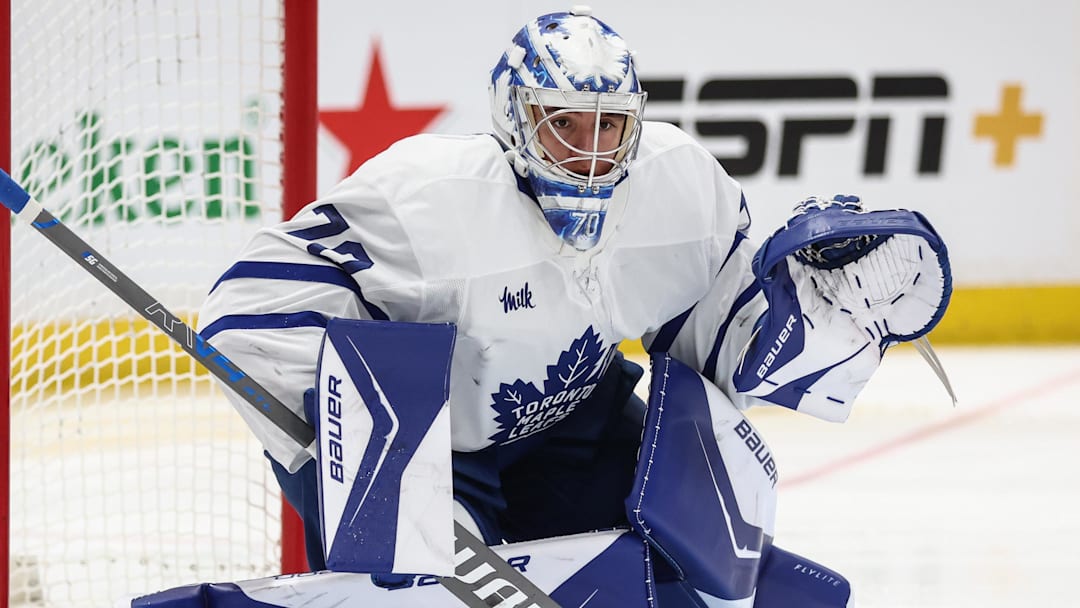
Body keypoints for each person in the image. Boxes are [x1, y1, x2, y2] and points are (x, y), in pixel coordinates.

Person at [196, 5, 950, 604]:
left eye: (610, 125)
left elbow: (721, 345)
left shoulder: (679, 185)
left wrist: (810, 322)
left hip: (571, 422)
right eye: (564, 126)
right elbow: (251, 305)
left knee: (671, 572)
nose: (591, 153)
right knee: (418, 597)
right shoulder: (430, 198)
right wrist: (368, 450)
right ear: (517, 119)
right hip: (435, 448)